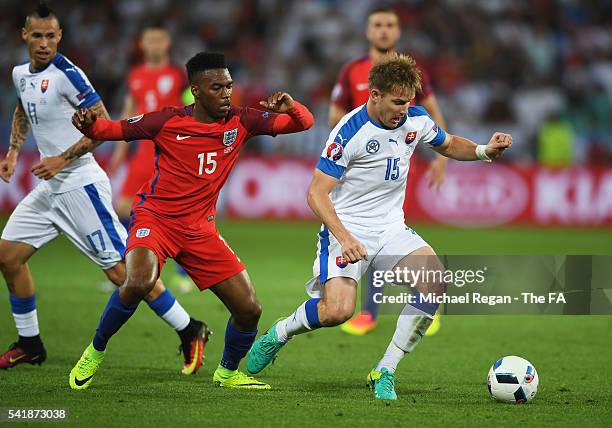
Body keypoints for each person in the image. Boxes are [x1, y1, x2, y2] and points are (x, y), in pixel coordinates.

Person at [247, 55, 511, 400]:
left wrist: (483, 150)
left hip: (391, 229)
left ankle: (384, 369)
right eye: (397, 102)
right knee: (337, 311)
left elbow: (447, 143)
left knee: (434, 281)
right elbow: (315, 193)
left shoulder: (416, 119)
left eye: (408, 102)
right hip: (345, 229)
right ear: (374, 95)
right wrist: (345, 238)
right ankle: (280, 333)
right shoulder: (349, 131)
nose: (404, 109)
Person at [67, 52, 314, 390]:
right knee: (138, 281)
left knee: (249, 309)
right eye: (217, 88)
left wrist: (291, 106)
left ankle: (227, 372)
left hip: (200, 228)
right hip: (156, 218)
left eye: (229, 86)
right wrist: (88, 124)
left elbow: (304, 123)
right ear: (196, 91)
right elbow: (112, 129)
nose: (227, 93)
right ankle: (95, 350)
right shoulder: (166, 121)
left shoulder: (243, 120)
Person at [0, 3, 208, 376]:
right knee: (8, 256)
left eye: (51, 36)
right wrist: (14, 151)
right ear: (25, 36)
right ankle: (30, 343)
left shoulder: (69, 75)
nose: (44, 43)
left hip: (80, 185)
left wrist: (62, 159)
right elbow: (22, 107)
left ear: (59, 36)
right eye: (37, 35)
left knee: (123, 274)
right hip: (48, 190)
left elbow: (102, 124)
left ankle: (190, 329)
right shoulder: (20, 74)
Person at [331, 6, 448, 336]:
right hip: (359, 168)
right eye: (377, 25)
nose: (383, 31)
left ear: (397, 32)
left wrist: (440, 158)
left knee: (388, 234)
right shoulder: (351, 71)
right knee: (364, 235)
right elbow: (334, 115)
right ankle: (392, 305)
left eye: (390, 25)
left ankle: (391, 306)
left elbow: (432, 114)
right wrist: (351, 141)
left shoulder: (410, 73)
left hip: (395, 169)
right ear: (368, 32)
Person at [106, 24, 194, 293]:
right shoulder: (135, 75)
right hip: (143, 152)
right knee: (123, 209)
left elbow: (193, 108)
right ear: (142, 44)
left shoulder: (179, 75)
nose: (153, 44)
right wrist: (119, 153)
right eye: (149, 40)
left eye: (158, 39)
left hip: (172, 152)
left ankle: (183, 273)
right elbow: (129, 111)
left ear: (166, 43)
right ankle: (128, 271)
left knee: (180, 214)